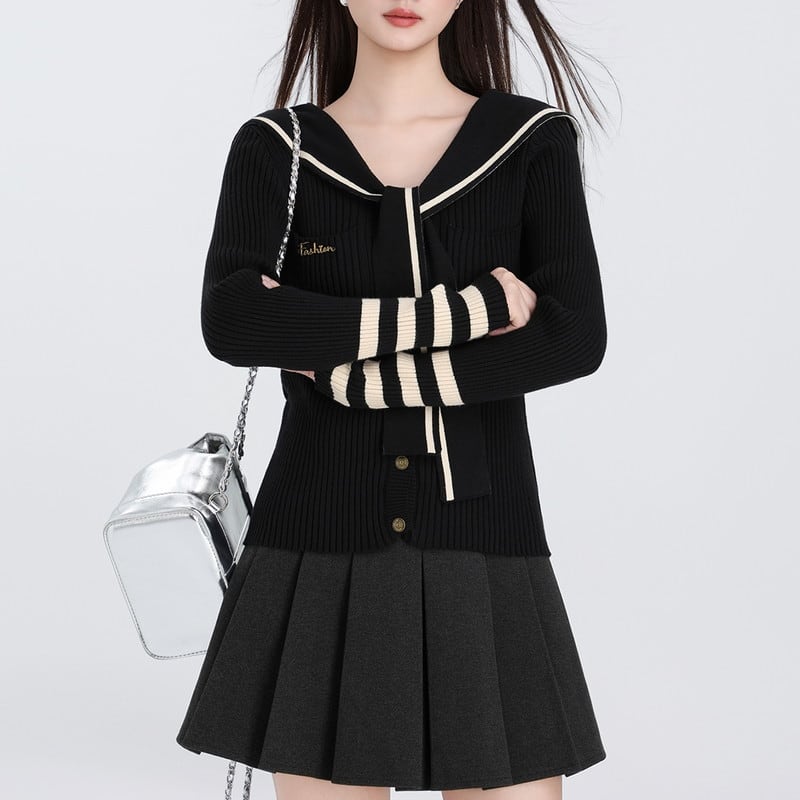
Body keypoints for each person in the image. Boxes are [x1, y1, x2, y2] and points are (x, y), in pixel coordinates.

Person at [176, 2, 612, 799]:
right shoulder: (279, 148)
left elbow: (572, 336)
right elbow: (234, 318)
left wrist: (355, 376)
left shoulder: (531, 142)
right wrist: (468, 312)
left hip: (486, 539)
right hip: (315, 543)